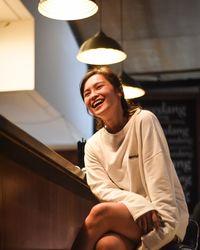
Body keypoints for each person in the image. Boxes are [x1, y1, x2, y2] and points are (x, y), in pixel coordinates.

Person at [72, 66, 189, 250]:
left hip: (162, 216)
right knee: (107, 245)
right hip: (133, 217)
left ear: (119, 91)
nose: (93, 95)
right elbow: (102, 189)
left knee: (100, 213)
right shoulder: (93, 145)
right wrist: (138, 205)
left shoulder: (144, 120)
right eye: (87, 93)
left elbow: (159, 179)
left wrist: (164, 227)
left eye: (99, 87)